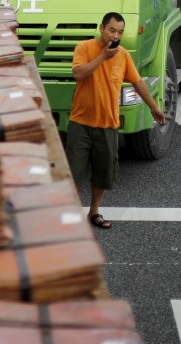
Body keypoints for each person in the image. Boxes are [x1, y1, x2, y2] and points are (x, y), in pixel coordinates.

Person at [66, 12, 166, 230]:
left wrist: (154, 107)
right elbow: (78, 73)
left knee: (103, 173)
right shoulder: (84, 48)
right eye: (112, 30)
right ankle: (72, 217)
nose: (116, 35)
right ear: (102, 28)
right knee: (74, 172)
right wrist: (102, 57)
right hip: (80, 123)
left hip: (108, 124)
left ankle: (94, 212)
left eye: (120, 32)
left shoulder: (123, 55)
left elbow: (138, 83)